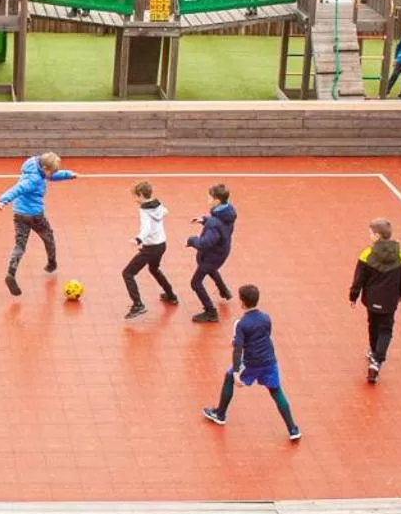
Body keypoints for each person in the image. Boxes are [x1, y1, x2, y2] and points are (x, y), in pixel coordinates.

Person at [201, 284, 301, 441]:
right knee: (276, 392)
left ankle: (220, 414)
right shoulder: (266, 318)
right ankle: (293, 429)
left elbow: (238, 349)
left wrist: (235, 372)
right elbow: (265, 335)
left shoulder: (241, 324)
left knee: (228, 377)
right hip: (269, 361)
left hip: (251, 363)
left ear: (242, 302)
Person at [0, 152, 78, 296]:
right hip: (35, 215)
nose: (51, 174)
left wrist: (67, 174)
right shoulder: (34, 179)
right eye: (51, 171)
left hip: (19, 214)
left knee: (20, 245)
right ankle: (52, 263)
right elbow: (19, 188)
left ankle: (11, 272)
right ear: (45, 168)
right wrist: (3, 200)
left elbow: (50, 176)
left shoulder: (33, 165)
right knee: (48, 237)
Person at [348, 218, 401, 383]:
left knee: (373, 324)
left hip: (371, 299)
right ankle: (377, 360)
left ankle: (374, 354)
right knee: (386, 330)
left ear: (376, 236)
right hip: (390, 300)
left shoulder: (367, 254)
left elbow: (359, 277)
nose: (369, 236)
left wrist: (353, 295)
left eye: (370, 233)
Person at [122, 181, 178, 320]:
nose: (135, 199)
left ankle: (138, 304)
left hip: (151, 247)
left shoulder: (144, 210)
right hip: (161, 245)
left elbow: (146, 228)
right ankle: (170, 295)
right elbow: (165, 211)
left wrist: (138, 239)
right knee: (154, 269)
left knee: (128, 273)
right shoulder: (158, 204)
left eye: (135, 196)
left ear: (141, 195)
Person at [184, 184, 236, 323]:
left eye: (210, 197)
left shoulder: (214, 222)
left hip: (211, 256)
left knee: (195, 283)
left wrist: (191, 240)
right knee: (212, 270)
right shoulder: (229, 212)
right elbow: (219, 225)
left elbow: (205, 243)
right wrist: (204, 219)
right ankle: (224, 291)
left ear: (217, 201)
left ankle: (210, 312)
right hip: (221, 252)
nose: (207, 198)